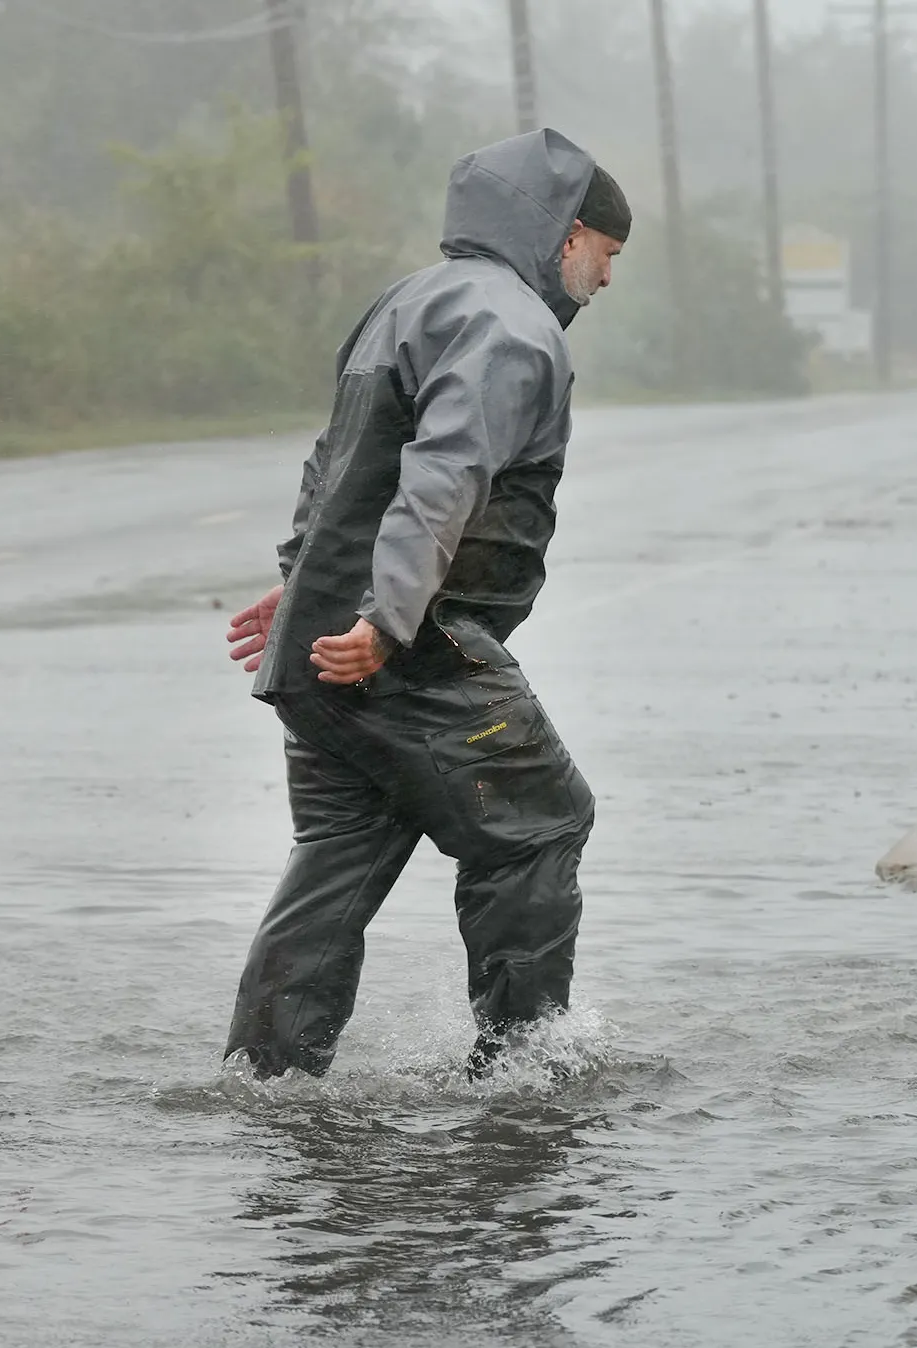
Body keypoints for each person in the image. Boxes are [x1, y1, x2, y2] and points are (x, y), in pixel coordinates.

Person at [221, 129, 628, 1080]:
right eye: (606, 256)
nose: (605, 281)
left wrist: (307, 582)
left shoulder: (408, 300)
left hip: (333, 641)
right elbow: (444, 475)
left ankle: (265, 1080)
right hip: (413, 647)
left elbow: (340, 463)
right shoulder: (511, 326)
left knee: (341, 853)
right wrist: (388, 619)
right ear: (567, 236)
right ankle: (526, 1069)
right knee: (544, 822)